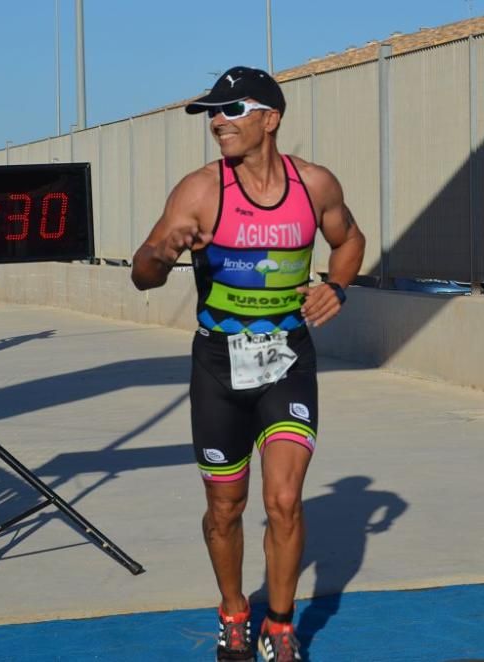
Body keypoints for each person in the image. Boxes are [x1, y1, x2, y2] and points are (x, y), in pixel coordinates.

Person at [131, 66, 365, 662]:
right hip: (217, 365)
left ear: (270, 118)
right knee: (225, 507)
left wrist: (337, 287)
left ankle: (280, 628)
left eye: (230, 110)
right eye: (212, 113)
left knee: (284, 500)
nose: (217, 122)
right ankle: (234, 610)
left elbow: (350, 239)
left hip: (287, 360)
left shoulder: (314, 185)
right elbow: (143, 271)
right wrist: (164, 252)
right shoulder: (201, 191)